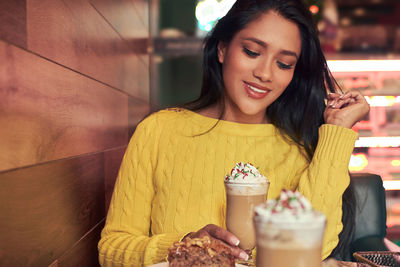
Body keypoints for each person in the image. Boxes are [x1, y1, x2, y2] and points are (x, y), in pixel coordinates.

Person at [98, 0, 370, 266]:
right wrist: (183, 247)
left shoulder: (298, 147)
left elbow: (316, 248)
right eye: (252, 51)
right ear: (222, 49)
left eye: (284, 64)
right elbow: (112, 249)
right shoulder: (158, 131)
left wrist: (336, 131)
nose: (265, 74)